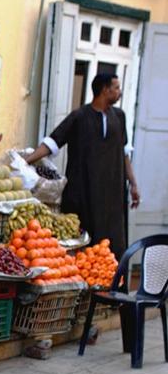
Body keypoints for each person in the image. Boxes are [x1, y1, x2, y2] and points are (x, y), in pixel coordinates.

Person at [24, 73, 141, 257]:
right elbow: (53, 143)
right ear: (104, 90)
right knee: (83, 249)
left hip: (112, 198)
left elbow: (124, 153)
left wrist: (133, 184)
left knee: (112, 251)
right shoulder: (79, 117)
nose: (119, 92)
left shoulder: (119, 117)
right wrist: (25, 162)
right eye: (116, 88)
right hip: (83, 195)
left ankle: (113, 284)